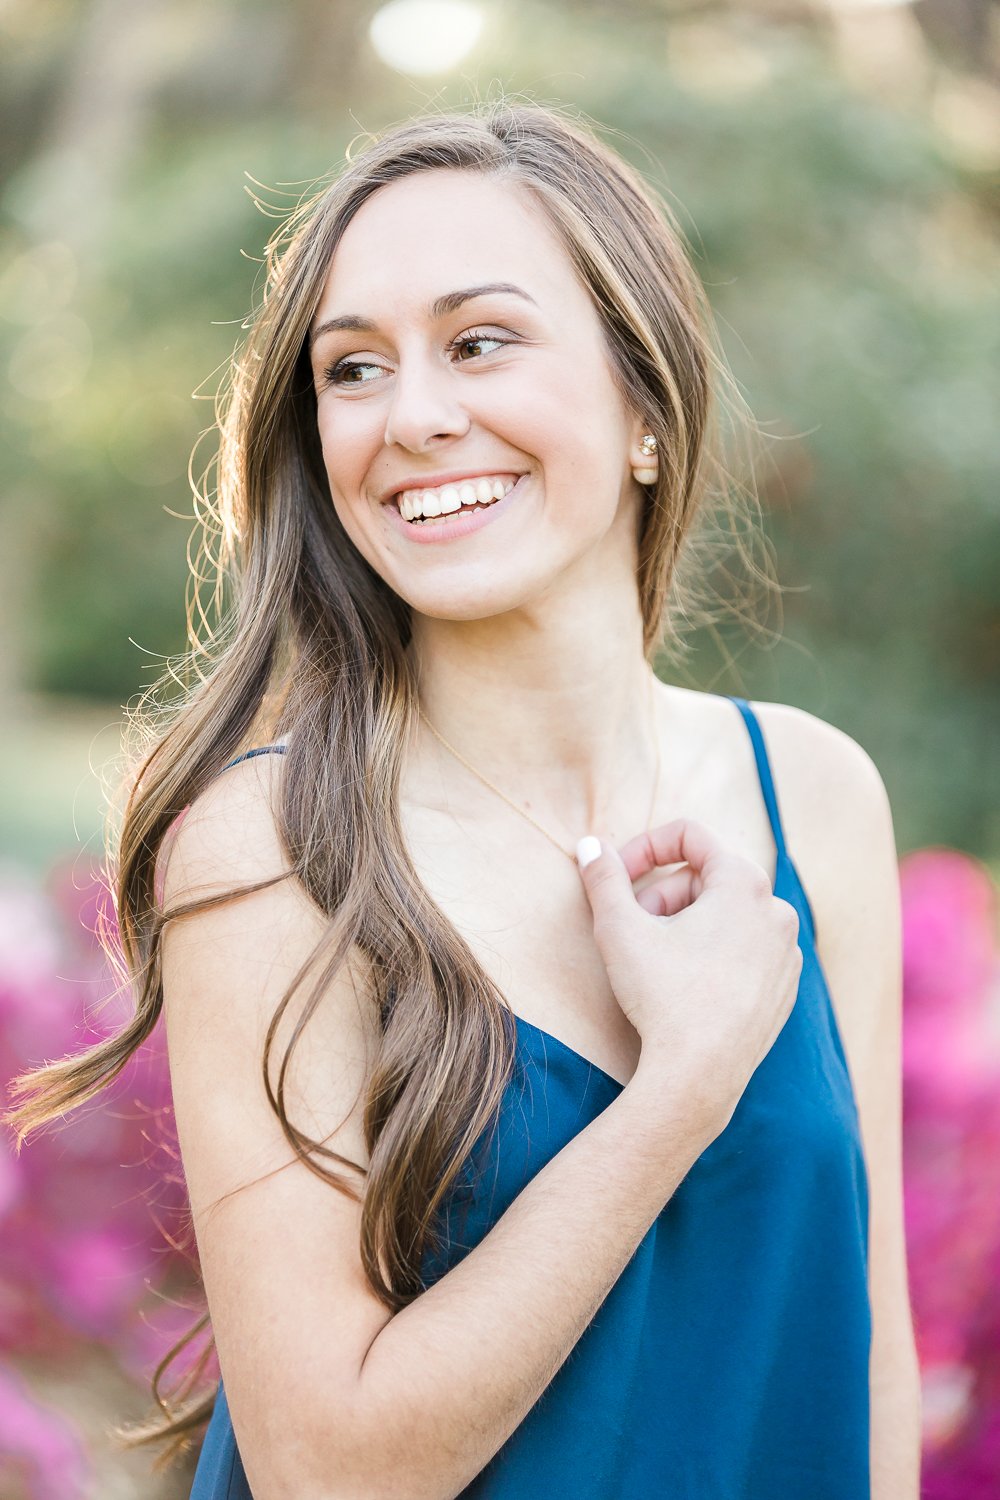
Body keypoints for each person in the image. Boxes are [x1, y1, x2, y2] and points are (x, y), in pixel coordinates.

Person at [5, 98, 921, 1497]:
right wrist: (678, 1088)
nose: (416, 417)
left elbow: (871, 1374)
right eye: (353, 368)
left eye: (479, 341)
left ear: (645, 416)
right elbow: (331, 1474)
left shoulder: (817, 797)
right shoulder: (269, 856)